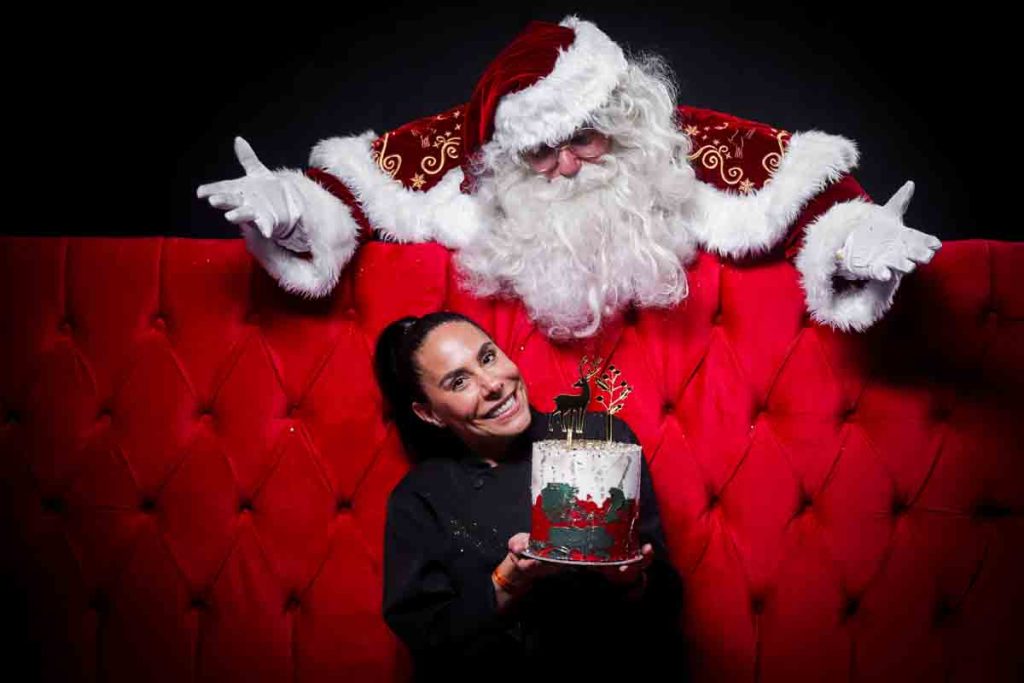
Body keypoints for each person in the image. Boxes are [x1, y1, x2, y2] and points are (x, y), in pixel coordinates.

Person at [197, 15, 941, 340]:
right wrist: (290, 206)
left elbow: (816, 203)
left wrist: (855, 247)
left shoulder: (690, 148)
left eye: (583, 138)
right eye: (539, 154)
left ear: (622, 121)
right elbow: (353, 191)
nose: (566, 166)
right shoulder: (463, 162)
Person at [374, 311, 687, 681]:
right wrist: (508, 580)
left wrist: (630, 580)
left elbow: (666, 604)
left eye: (488, 357)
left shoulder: (603, 439)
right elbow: (430, 639)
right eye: (460, 382)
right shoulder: (420, 499)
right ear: (429, 413)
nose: (492, 384)